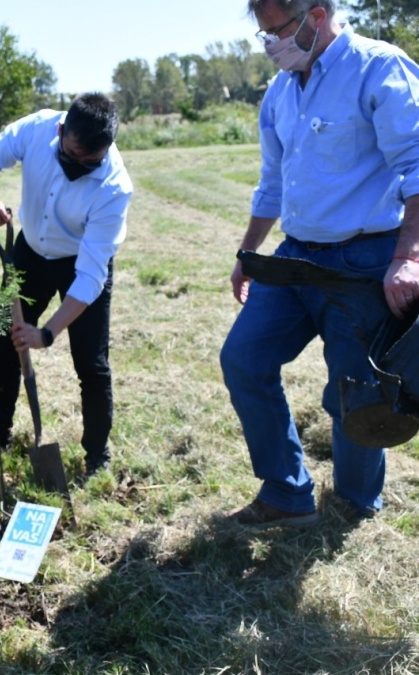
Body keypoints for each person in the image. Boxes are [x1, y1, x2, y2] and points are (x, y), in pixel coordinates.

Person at [221, 0, 419, 527]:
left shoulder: (378, 67)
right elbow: (272, 184)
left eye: (277, 32)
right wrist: (249, 253)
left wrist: (408, 255)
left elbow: (417, 165)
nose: (270, 47)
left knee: (355, 393)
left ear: (315, 14)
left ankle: (353, 504)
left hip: (366, 260)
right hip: (295, 257)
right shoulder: (281, 91)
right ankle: (287, 491)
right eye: (263, 37)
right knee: (243, 358)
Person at [0, 93, 133, 476]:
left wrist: (48, 332)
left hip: (79, 262)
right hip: (29, 251)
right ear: (61, 131)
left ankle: (96, 456)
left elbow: (91, 276)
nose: (78, 168)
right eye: (71, 156)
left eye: (90, 163)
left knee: (91, 365)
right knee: (4, 344)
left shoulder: (113, 187)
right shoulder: (38, 128)